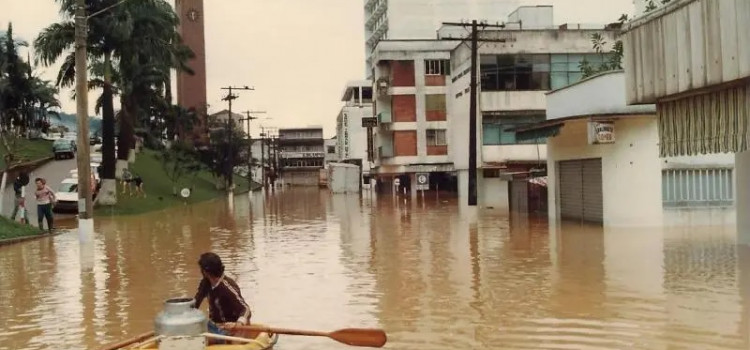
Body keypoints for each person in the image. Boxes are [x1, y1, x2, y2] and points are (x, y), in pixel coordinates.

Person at [193, 253, 252, 338]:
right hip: (216, 327)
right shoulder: (205, 284)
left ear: (205, 272)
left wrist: (238, 323)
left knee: (205, 340)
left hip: (231, 330)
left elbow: (246, 309)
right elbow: (196, 303)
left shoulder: (227, 287)